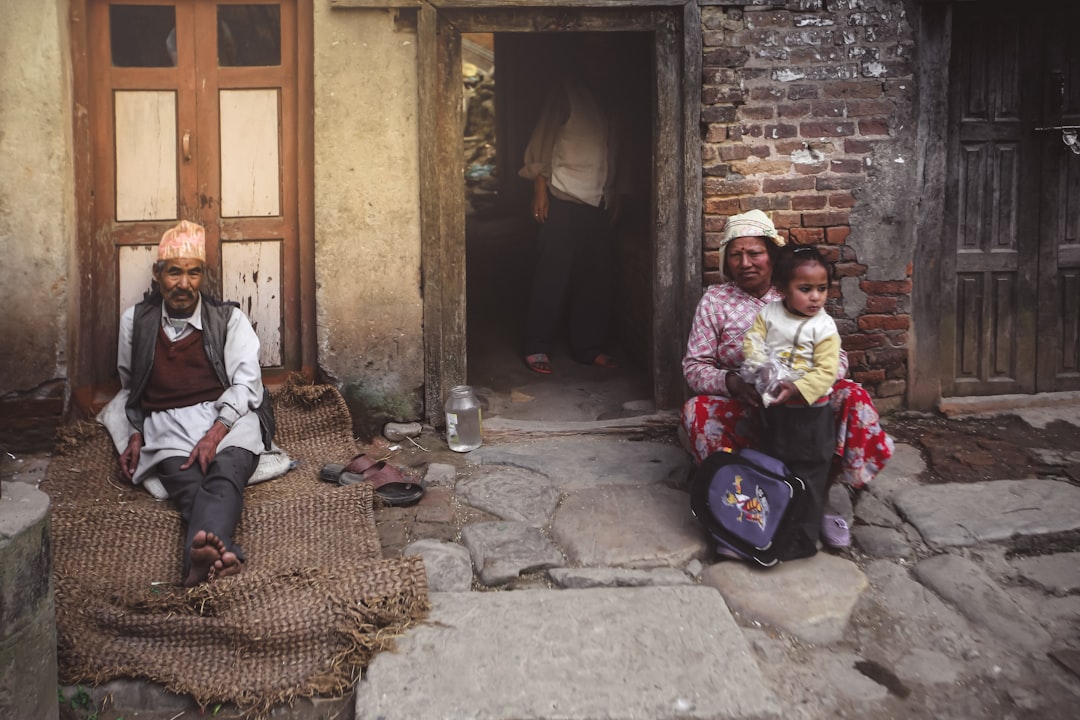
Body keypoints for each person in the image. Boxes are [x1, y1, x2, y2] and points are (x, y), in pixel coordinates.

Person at [681, 209, 894, 549]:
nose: (745, 262)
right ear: (725, 260)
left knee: (852, 396)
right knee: (697, 410)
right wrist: (734, 383)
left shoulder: (796, 290)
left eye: (755, 253)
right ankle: (745, 508)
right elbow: (695, 366)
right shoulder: (715, 301)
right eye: (735, 254)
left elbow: (836, 358)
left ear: (772, 254)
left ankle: (812, 503)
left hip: (802, 405)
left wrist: (801, 386)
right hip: (747, 403)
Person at [116, 220, 275, 586]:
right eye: (174, 273)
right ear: (158, 275)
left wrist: (216, 433)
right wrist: (135, 433)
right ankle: (219, 552)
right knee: (188, 485)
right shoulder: (136, 323)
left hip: (228, 416)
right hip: (167, 423)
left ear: (203, 275)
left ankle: (196, 564)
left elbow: (247, 384)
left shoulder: (228, 320)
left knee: (225, 474)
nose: (184, 285)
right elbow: (131, 386)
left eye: (193, 273)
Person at [518, 35, 628, 375]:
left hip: (599, 202)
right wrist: (539, 186)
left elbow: (619, 155)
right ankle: (537, 346)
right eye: (594, 57)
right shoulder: (567, 94)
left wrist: (617, 195)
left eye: (607, 58)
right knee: (552, 275)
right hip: (562, 198)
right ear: (583, 60)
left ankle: (588, 346)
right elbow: (544, 140)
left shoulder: (615, 102)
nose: (601, 65)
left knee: (596, 278)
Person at [741, 245, 840, 558]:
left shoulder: (824, 328)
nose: (815, 297)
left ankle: (802, 542)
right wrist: (760, 367)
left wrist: (797, 388)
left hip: (812, 417)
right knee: (776, 470)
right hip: (778, 413)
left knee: (809, 478)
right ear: (782, 290)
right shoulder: (770, 314)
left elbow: (827, 371)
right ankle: (772, 529)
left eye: (822, 289)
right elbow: (753, 342)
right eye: (805, 289)